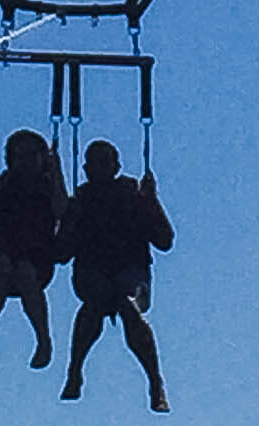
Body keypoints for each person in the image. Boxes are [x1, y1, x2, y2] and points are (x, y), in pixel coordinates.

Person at [57, 138, 174, 412]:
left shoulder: (134, 197)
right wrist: (68, 221)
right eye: (94, 164)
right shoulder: (81, 202)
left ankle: (155, 383)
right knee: (94, 304)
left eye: (104, 163)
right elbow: (61, 254)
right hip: (93, 274)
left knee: (128, 306)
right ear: (85, 169)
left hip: (131, 275)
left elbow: (165, 240)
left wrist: (152, 202)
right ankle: (75, 370)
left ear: (116, 166)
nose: (98, 169)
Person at [0, 127, 68, 367]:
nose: (25, 162)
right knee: (2, 268)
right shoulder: (3, 187)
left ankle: (43, 340)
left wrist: (57, 172)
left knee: (24, 272)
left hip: (36, 259)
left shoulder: (47, 189)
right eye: (20, 156)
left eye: (32, 155)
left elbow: (62, 209)